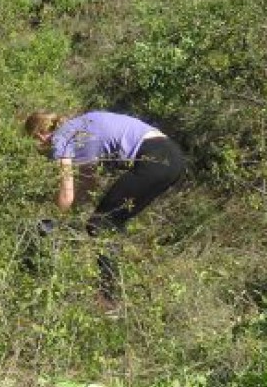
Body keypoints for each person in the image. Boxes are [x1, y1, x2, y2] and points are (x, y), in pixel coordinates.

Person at [23, 110, 189, 303]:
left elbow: (67, 196)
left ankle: (108, 299)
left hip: (154, 157)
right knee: (111, 221)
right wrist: (74, 218)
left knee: (101, 224)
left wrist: (51, 219)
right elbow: (88, 184)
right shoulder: (79, 130)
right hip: (173, 158)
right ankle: (125, 290)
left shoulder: (61, 138)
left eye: (36, 143)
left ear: (40, 135)